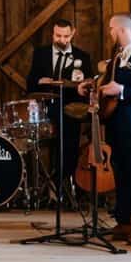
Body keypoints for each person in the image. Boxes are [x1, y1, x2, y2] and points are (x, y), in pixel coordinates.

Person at [83, 13, 131, 245]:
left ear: (121, 30)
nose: (110, 33)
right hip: (115, 122)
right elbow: (110, 85)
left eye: (111, 29)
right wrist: (93, 87)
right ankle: (124, 222)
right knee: (121, 175)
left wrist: (122, 90)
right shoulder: (117, 57)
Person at [26, 18, 93, 187]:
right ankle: (42, 187)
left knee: (69, 149)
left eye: (66, 36)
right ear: (52, 34)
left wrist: (80, 87)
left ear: (73, 34)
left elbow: (89, 85)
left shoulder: (82, 57)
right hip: (46, 109)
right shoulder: (41, 53)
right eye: (58, 36)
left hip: (71, 110)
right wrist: (40, 80)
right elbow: (30, 82)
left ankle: (63, 187)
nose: (62, 40)